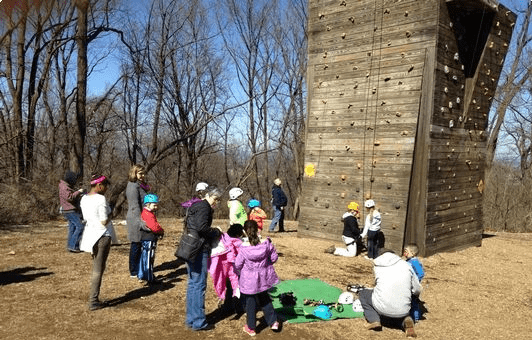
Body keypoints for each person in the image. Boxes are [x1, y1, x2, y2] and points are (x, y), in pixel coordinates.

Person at [358, 248, 421, 337]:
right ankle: (405, 321)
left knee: (363, 293)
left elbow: (378, 285)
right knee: (401, 304)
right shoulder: (406, 265)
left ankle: (374, 320)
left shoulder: (378, 266)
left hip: (382, 307)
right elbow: (417, 289)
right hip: (403, 309)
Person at [184, 187, 223, 331]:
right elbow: (202, 228)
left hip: (190, 247)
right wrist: (216, 231)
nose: (216, 203)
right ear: (212, 197)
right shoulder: (204, 207)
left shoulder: (195, 205)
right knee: (199, 284)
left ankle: (191, 319)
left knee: (193, 284)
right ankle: (199, 322)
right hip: (199, 249)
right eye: (216, 200)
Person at [79, 174, 118, 311]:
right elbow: (103, 220)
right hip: (102, 235)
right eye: (106, 186)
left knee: (97, 266)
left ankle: (94, 299)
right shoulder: (101, 199)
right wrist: (112, 213)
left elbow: (86, 217)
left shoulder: (83, 198)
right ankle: (93, 300)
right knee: (98, 269)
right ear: (99, 185)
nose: (107, 189)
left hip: (90, 235)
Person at [235, 220, 280, 336]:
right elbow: (274, 257)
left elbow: (238, 265)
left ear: (245, 231)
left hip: (249, 280)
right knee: (265, 299)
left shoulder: (244, 248)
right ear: (257, 229)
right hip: (264, 277)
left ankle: (251, 327)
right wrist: (265, 264)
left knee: (250, 303)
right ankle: (273, 322)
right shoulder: (266, 243)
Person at [208, 223, 244, 310]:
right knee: (235, 285)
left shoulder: (223, 237)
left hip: (221, 265)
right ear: (237, 234)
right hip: (233, 267)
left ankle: (227, 304)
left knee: (226, 285)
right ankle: (236, 305)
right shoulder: (237, 242)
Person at [126, 164, 150, 278]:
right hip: (135, 217)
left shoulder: (139, 185)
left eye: (143, 173)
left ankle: (138, 267)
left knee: (139, 243)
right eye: (140, 173)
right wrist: (140, 221)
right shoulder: (132, 186)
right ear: (134, 173)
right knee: (136, 243)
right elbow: (135, 206)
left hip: (141, 217)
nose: (142, 176)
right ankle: (133, 271)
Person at [138, 193, 165, 284]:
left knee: (145, 257)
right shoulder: (148, 214)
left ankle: (142, 275)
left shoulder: (147, 213)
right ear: (148, 204)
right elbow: (154, 227)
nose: (156, 207)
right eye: (154, 205)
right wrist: (161, 231)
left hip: (147, 238)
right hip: (149, 238)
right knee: (149, 258)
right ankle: (149, 277)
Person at [58, 170, 85, 253]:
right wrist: (78, 192)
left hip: (69, 209)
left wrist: (79, 194)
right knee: (80, 226)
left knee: (72, 228)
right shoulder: (64, 187)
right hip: (70, 210)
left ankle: (71, 246)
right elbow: (69, 198)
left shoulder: (65, 186)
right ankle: (74, 246)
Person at [403, 244, 425, 322]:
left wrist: (416, 281)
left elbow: (421, 273)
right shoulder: (408, 261)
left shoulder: (415, 262)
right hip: (408, 285)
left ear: (412, 253)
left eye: (406, 251)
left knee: (414, 301)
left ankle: (415, 317)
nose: (404, 253)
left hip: (413, 286)